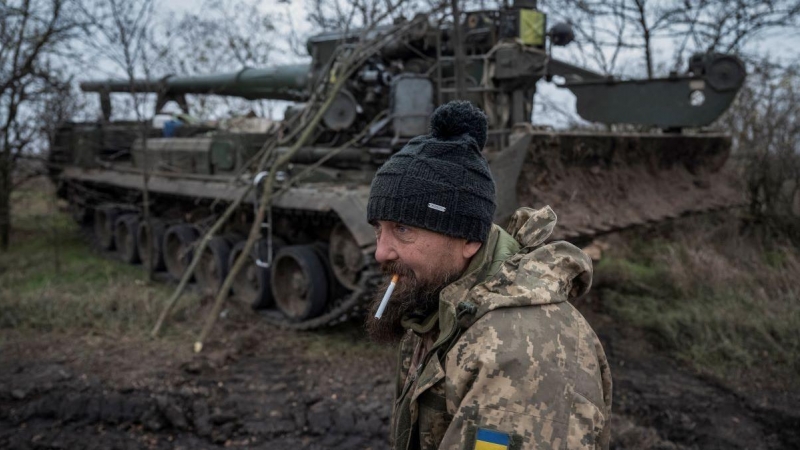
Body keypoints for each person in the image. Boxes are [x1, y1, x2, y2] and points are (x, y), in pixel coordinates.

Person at [365, 101, 612, 450]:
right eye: (379, 229)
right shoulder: (435, 305)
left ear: (469, 239)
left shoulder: (521, 357)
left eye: (403, 229)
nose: (381, 252)